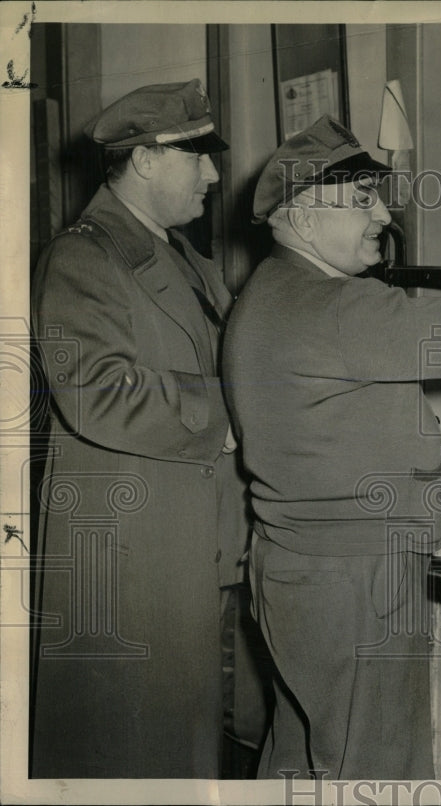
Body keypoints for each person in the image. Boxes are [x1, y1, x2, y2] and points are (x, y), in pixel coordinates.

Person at [222, 115, 441, 779]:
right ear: (301, 218)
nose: (382, 214)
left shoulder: (267, 296)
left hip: (295, 566)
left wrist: (425, 458)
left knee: (302, 754)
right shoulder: (335, 305)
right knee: (378, 766)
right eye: (361, 200)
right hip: (359, 576)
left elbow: (323, 420)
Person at [31, 79, 265, 778]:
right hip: (134, 557)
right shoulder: (83, 259)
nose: (216, 175)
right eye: (199, 157)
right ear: (146, 159)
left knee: (193, 747)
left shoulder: (187, 260)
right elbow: (97, 393)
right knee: (133, 752)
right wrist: (228, 413)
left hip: (201, 543)